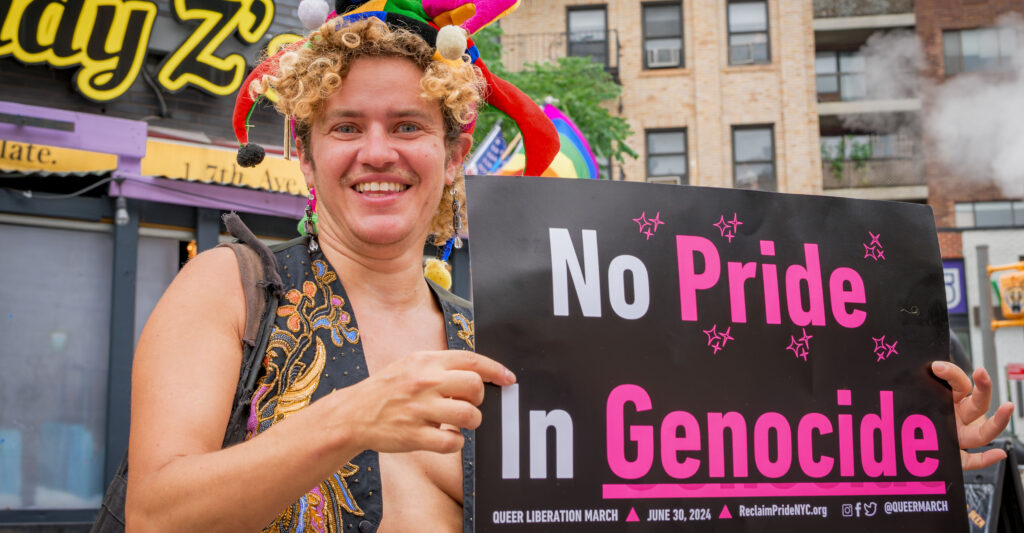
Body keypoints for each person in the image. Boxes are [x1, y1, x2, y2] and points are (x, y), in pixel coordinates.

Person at [125, 8, 1013, 533]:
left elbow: (686, 476)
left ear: (454, 148)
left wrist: (900, 450)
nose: (377, 153)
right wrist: (350, 416)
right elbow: (154, 512)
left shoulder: (504, 334)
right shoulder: (234, 286)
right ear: (305, 148)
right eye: (347, 126)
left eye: (408, 126)